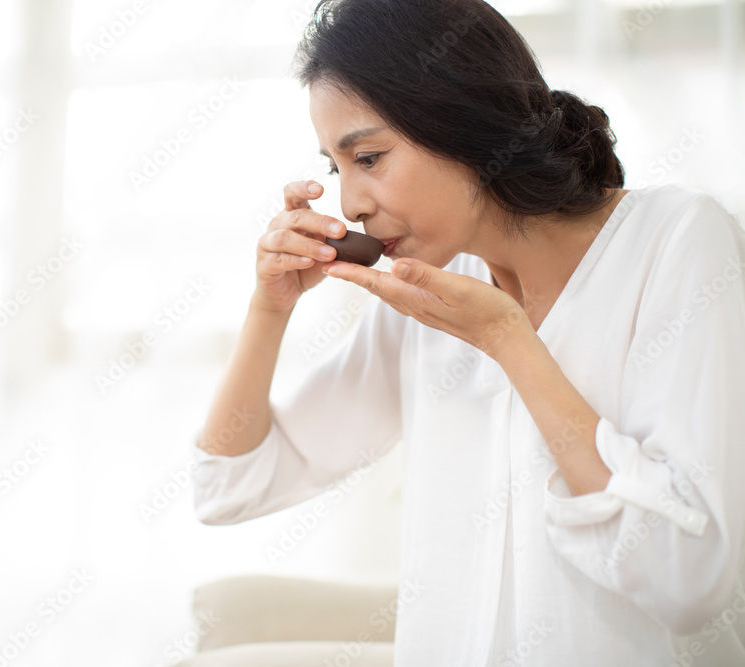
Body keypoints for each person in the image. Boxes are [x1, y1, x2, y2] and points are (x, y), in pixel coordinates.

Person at [190, 0, 745, 664]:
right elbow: (226, 484)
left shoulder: (680, 242)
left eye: (369, 156)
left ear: (463, 121)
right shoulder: (432, 287)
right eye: (338, 168)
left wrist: (508, 338)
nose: (351, 203)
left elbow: (688, 579)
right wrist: (269, 307)